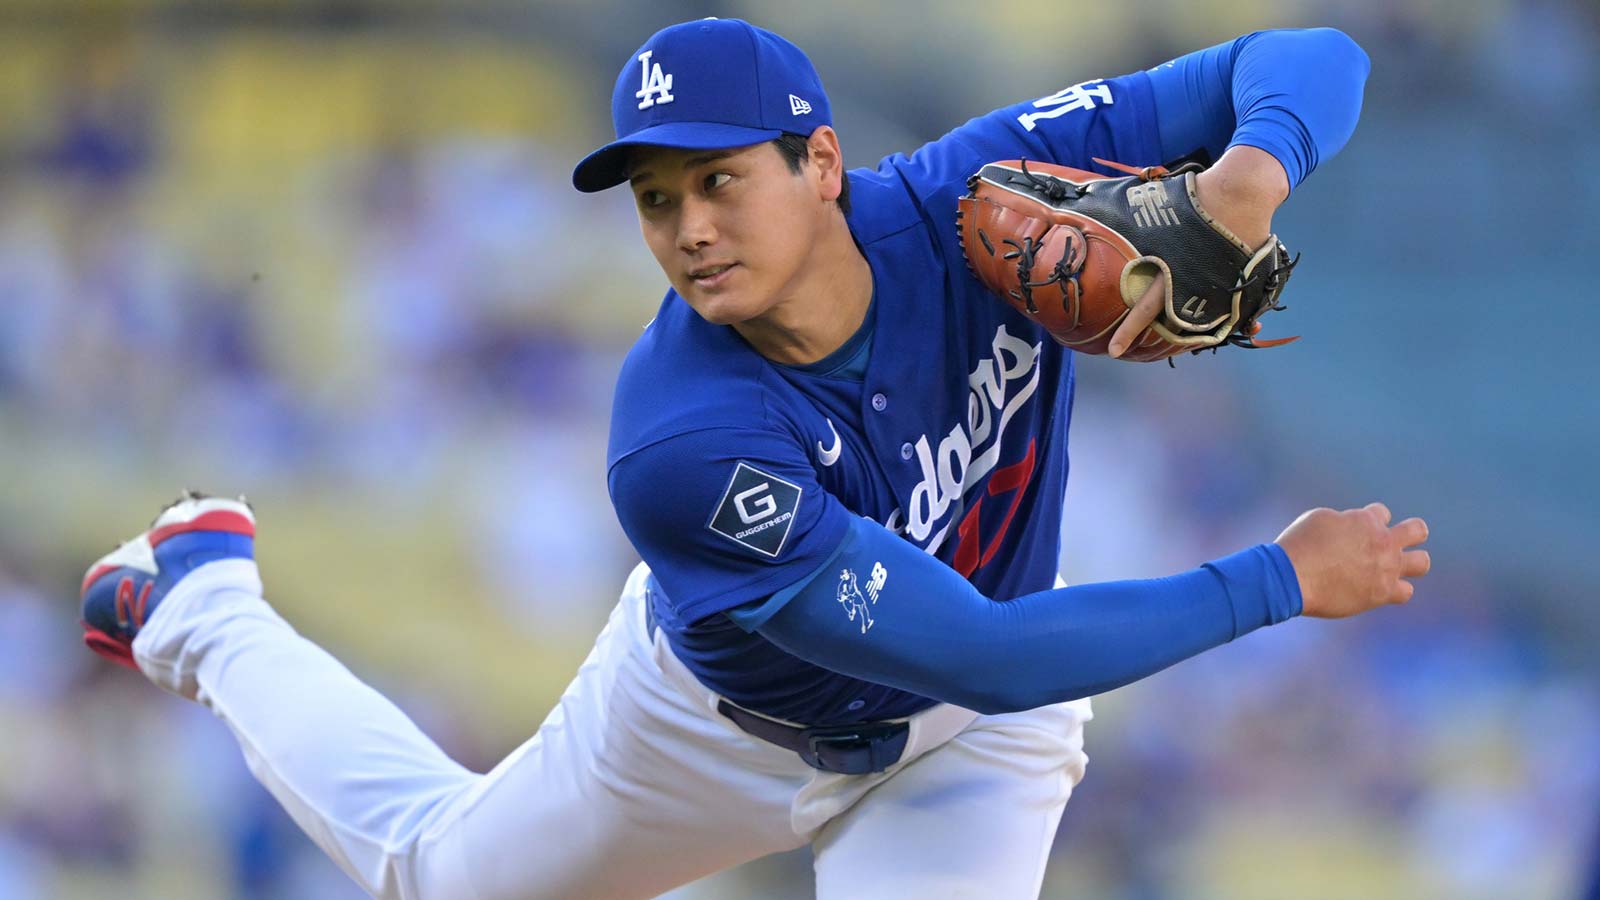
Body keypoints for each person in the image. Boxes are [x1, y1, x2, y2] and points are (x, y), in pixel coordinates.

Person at [78, 18, 1429, 900]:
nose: (687, 227)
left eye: (722, 179)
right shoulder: (681, 440)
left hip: (964, 749)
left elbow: (1313, 55)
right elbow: (982, 649)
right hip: (704, 735)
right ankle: (204, 603)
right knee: (435, 876)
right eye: (657, 200)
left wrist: (1251, 173)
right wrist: (1274, 579)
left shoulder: (973, 197)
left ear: (822, 161)